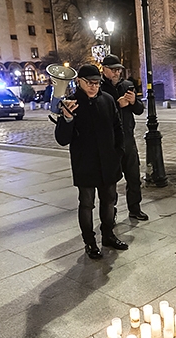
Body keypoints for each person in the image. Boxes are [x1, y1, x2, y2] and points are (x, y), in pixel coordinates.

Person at [55, 64, 128, 259]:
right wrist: (67, 118)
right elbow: (62, 139)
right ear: (79, 81)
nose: (94, 86)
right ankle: (89, 242)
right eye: (89, 83)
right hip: (85, 163)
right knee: (87, 204)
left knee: (109, 202)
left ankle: (108, 235)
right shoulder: (70, 103)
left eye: (97, 83)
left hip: (108, 162)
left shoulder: (108, 100)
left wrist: (118, 152)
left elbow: (117, 127)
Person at [99, 54, 148, 221]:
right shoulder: (99, 89)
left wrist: (134, 101)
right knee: (110, 181)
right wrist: (117, 105)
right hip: (109, 142)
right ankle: (110, 213)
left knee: (133, 176)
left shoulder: (127, 85)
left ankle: (135, 208)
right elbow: (100, 115)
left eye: (118, 70)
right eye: (113, 70)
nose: (116, 73)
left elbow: (139, 110)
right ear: (104, 69)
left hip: (128, 138)